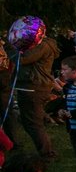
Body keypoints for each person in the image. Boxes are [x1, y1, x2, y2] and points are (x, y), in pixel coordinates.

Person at [7, 29, 59, 158]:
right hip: (33, 86)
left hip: (33, 87)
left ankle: (47, 153)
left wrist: (8, 46)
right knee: (31, 120)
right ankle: (46, 151)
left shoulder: (42, 46)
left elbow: (22, 59)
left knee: (33, 123)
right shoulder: (43, 45)